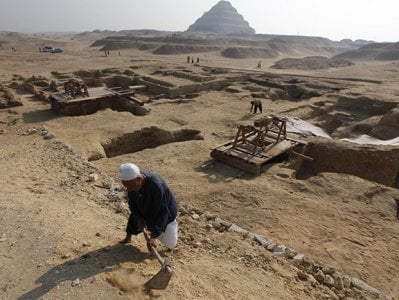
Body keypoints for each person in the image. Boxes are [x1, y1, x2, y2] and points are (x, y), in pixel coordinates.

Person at [118, 163, 178, 250]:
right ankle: (128, 238)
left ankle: (168, 246)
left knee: (170, 243)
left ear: (139, 179)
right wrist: (139, 218)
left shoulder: (156, 185)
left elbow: (163, 212)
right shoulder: (132, 182)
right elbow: (132, 204)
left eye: (131, 187)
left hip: (165, 211)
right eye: (127, 187)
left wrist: (153, 237)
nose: (129, 190)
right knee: (134, 217)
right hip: (144, 206)